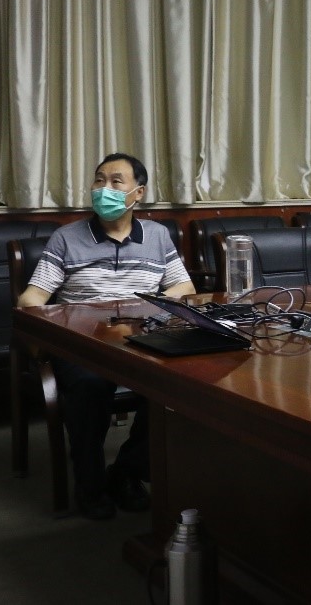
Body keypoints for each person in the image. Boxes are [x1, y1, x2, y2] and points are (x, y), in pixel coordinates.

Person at [17, 153, 195, 520]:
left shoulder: (157, 235)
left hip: (142, 339)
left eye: (116, 181)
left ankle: (127, 472)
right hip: (83, 343)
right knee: (90, 386)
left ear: (138, 193)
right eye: (99, 180)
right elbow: (32, 298)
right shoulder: (67, 237)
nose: (104, 188)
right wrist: (43, 341)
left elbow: (183, 286)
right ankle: (90, 483)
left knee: (178, 387)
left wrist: (150, 310)